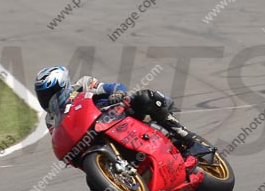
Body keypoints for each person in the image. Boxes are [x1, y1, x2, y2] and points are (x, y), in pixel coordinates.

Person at [34, 66, 199, 154]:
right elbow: (63, 139)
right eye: (43, 95)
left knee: (143, 98)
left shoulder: (83, 85)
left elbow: (112, 86)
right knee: (93, 184)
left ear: (63, 86)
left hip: (119, 115)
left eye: (49, 93)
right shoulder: (51, 119)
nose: (47, 98)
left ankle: (185, 136)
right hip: (94, 137)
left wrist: (118, 94)